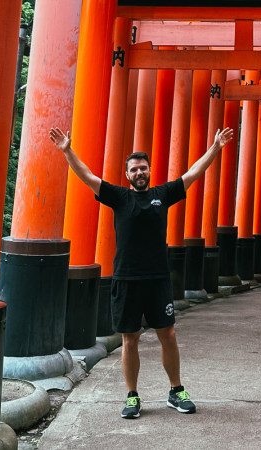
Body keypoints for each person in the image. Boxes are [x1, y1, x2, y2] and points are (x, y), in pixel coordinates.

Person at [49, 125, 234, 419]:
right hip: (126, 278)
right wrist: (67, 150)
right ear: (127, 175)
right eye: (134, 169)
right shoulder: (119, 197)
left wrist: (215, 147)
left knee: (169, 334)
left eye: (143, 168)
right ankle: (132, 396)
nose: (139, 173)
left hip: (158, 279)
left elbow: (193, 174)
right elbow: (87, 176)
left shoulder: (163, 194)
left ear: (150, 171)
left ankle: (176, 390)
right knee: (129, 339)